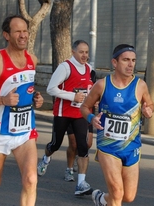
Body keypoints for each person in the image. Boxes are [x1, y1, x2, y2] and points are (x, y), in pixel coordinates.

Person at [0, 14, 44, 206]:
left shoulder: (33, 60)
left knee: (30, 180)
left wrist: (36, 97)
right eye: (18, 31)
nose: (23, 35)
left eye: (25, 31)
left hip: (25, 131)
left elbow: (26, 88)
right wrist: (2, 99)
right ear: (7, 35)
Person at [80, 44, 154, 206]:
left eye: (133, 60)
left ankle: (101, 198)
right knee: (117, 192)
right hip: (108, 146)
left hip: (131, 146)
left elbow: (150, 105)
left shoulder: (140, 85)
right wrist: (92, 117)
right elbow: (84, 107)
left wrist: (149, 111)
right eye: (126, 60)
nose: (130, 64)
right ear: (115, 62)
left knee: (128, 196)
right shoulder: (102, 84)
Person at [37, 40, 94, 195]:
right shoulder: (65, 67)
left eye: (86, 52)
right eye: (81, 52)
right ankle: (45, 159)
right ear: (73, 52)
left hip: (80, 114)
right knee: (55, 144)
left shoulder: (89, 68)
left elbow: (89, 89)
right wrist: (72, 96)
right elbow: (51, 89)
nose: (84, 55)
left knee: (83, 146)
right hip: (63, 113)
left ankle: (81, 184)